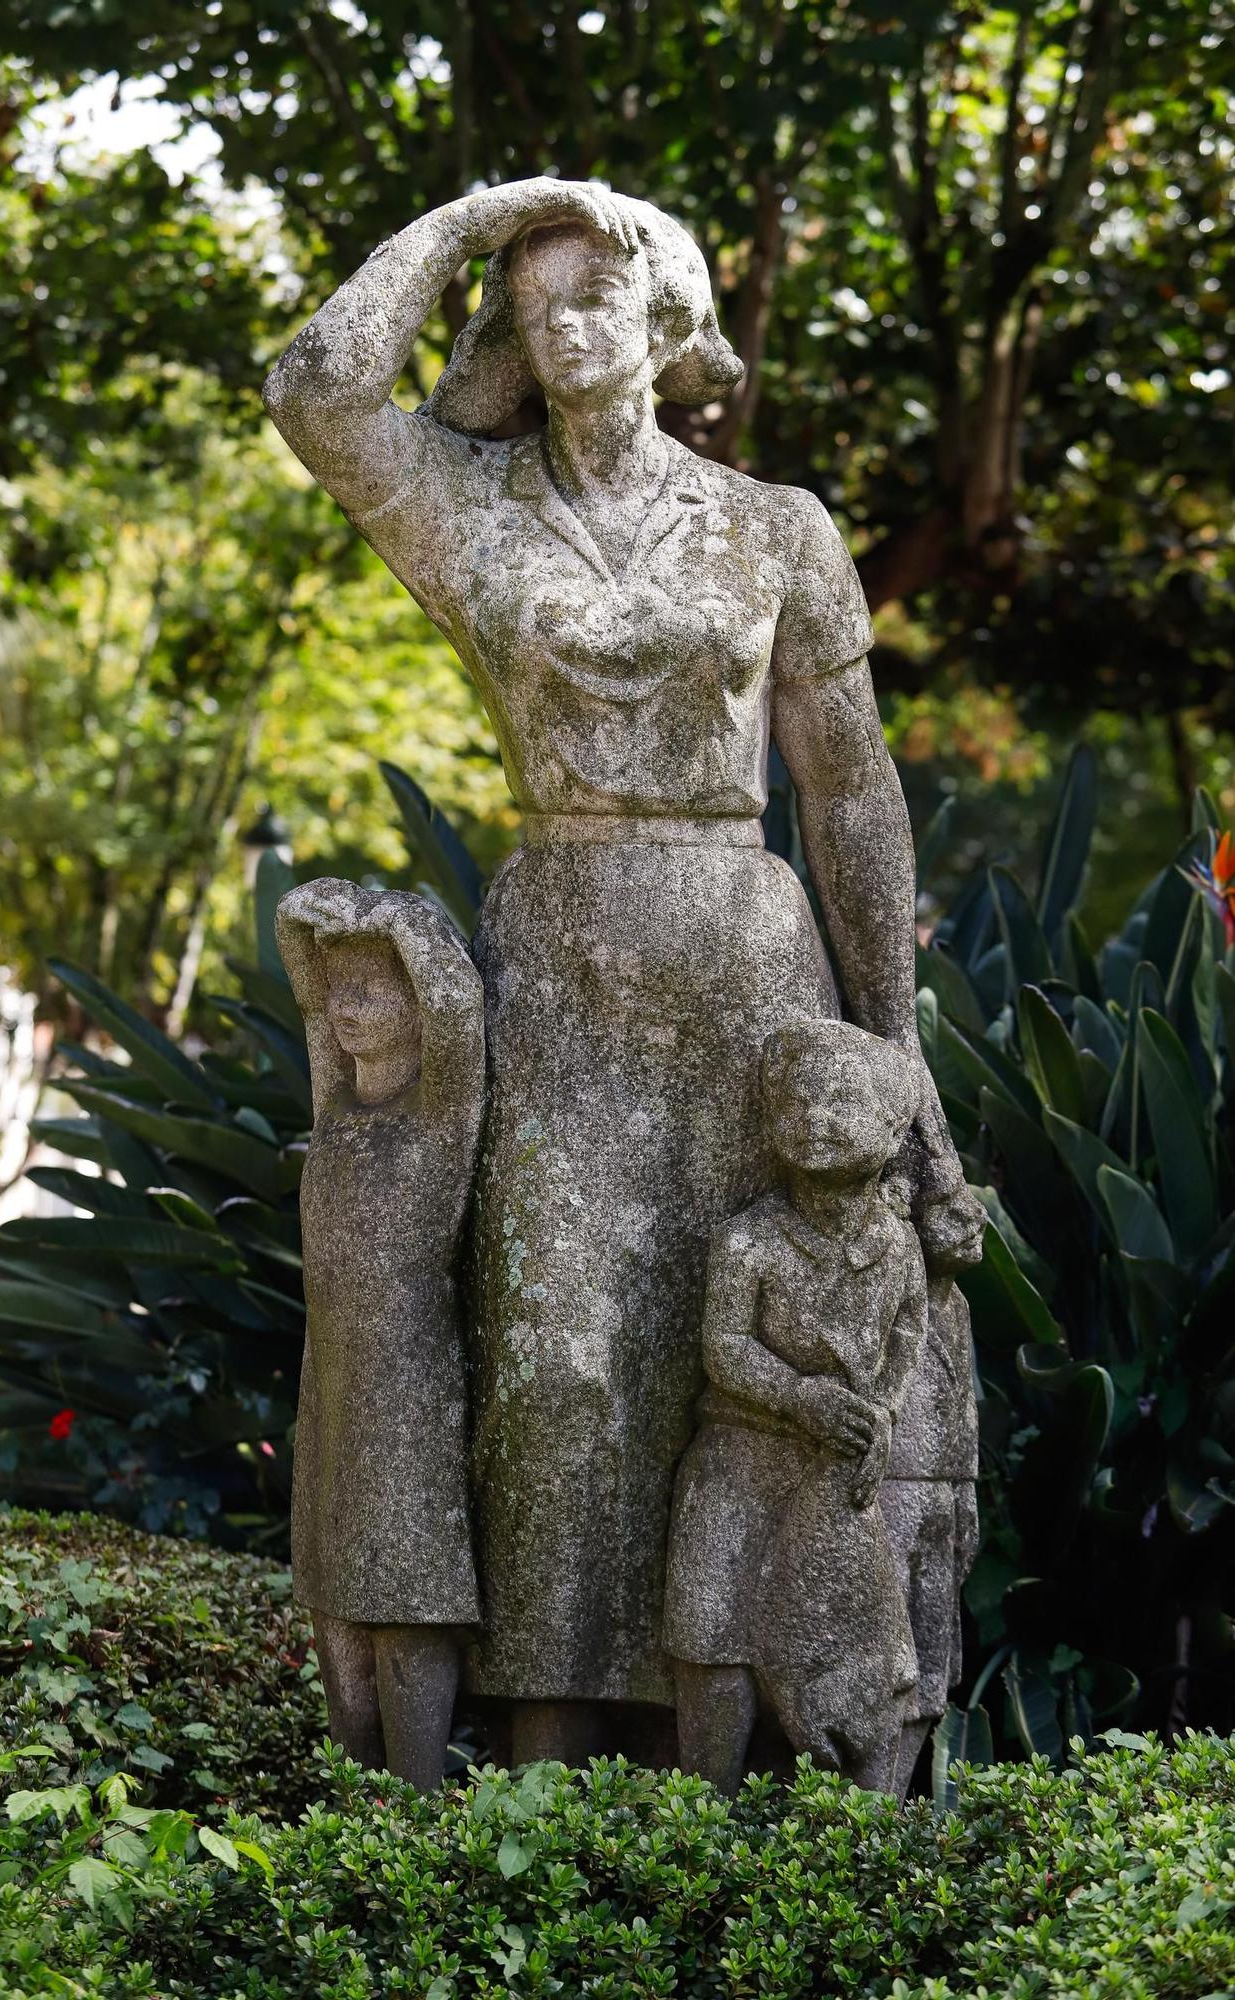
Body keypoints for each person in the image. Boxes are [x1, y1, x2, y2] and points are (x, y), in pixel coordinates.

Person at [264, 179, 964, 1760]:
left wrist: (890, 1041)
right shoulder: (472, 503)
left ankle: (758, 1748)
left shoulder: (779, 528)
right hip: (562, 948)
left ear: (666, 319)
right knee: (560, 1370)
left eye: (597, 287)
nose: (563, 317)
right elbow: (313, 389)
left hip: (744, 951)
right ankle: (552, 1769)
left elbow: (850, 787)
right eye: (535, 299)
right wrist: (481, 216)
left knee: (741, 1367)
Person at [665, 1019, 926, 1793]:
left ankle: (851, 1839)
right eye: (798, 1103)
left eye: (839, 1103)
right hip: (740, 1459)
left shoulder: (897, 1244)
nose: (814, 1119)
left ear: (887, 1130)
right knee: (710, 1625)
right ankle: (700, 1819)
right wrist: (798, 1396)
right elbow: (726, 1348)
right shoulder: (749, 1241)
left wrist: (880, 1408)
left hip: (838, 1468)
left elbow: (908, 1331)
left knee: (862, 1654)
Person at [276, 879, 485, 1789]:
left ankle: (416, 1797)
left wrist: (403, 924)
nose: (346, 1010)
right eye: (337, 992)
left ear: (414, 1003)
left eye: (372, 990)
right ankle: (355, 1797)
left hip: (406, 1379)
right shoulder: (337, 1109)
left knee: (406, 1588)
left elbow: (462, 1012)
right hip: (328, 1382)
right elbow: (301, 973)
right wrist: (303, 915)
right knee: (330, 1589)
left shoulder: (436, 1113)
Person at [881, 1179, 986, 1793]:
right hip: (895, 1484)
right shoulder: (893, 1291)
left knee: (933, 1655)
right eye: (955, 1217)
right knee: (887, 1650)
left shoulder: (960, 1307)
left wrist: (966, 1489)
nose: (973, 1229)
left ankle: (894, 1795)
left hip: (945, 1486)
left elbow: (966, 1412)